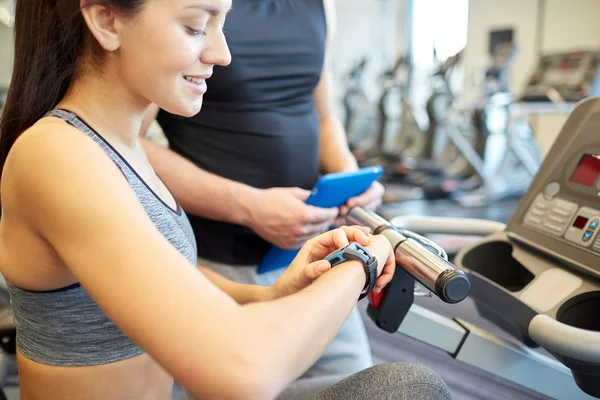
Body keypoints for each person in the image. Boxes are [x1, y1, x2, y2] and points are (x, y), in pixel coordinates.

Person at [0, 1, 453, 400]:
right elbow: (244, 375)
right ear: (107, 21)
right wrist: (363, 262)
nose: (222, 53)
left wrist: (265, 295)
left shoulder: (120, 147)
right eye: (197, 26)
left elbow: (159, 269)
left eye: (222, 25)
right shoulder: (58, 154)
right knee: (410, 388)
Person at [140, 0, 384, 379]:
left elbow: (324, 116)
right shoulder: (196, 7)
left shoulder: (320, 6)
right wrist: (249, 207)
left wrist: (349, 178)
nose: (218, 50)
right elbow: (131, 142)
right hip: (222, 257)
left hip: (311, 247)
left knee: (359, 382)